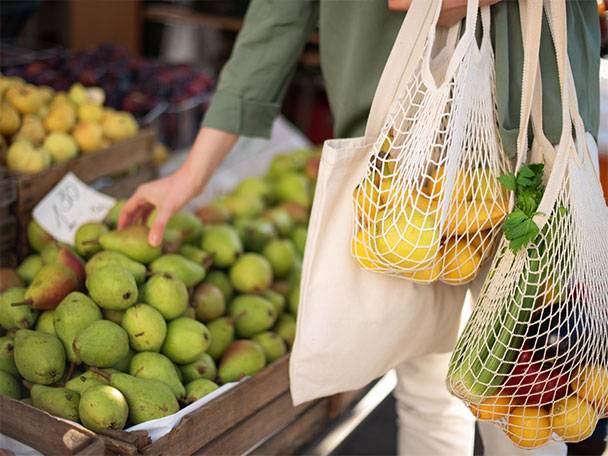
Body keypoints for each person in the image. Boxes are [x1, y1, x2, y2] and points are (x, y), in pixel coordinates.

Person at [120, 1, 600, 454]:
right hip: (407, 153)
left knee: (529, 398)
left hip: (535, 134)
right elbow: (279, 15)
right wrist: (192, 173)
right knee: (434, 387)